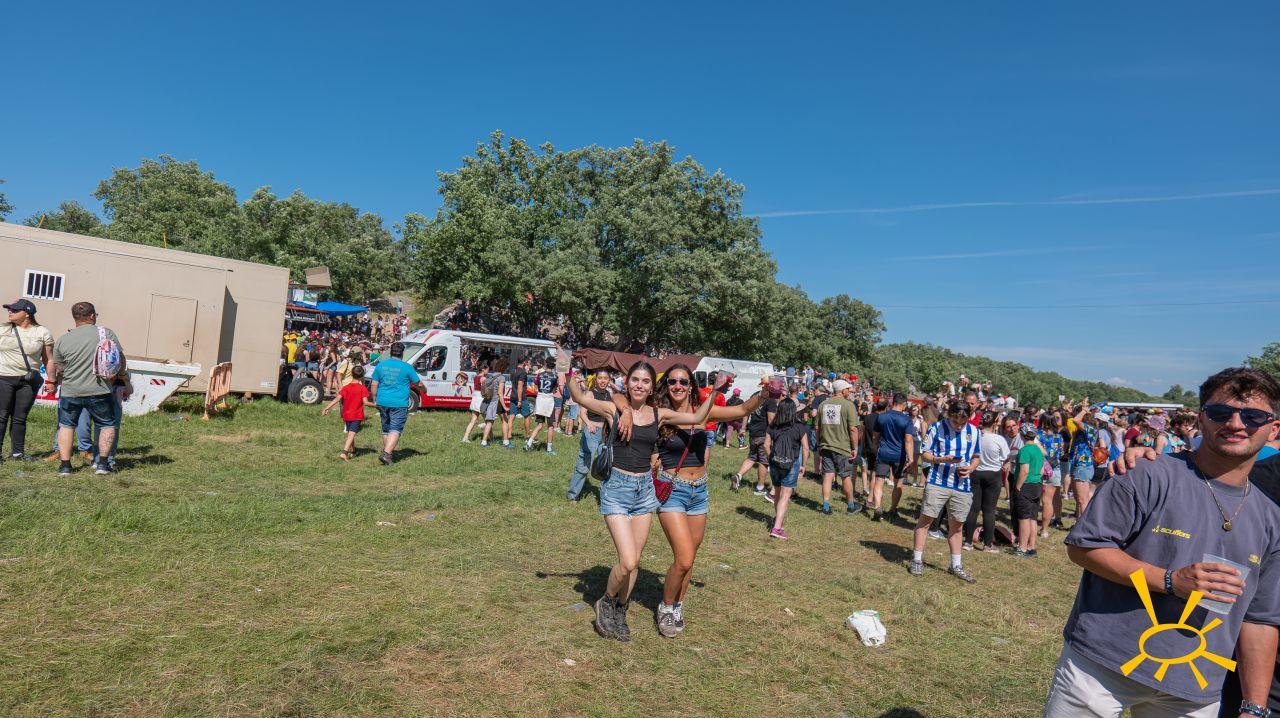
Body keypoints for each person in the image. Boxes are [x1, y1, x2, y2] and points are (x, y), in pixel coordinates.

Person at [1044, 368, 1280, 718]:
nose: (1235, 423)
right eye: (1220, 412)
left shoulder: (1271, 518)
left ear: (1273, 428)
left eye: (1253, 416)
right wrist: (1170, 580)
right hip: (1103, 664)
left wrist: (1255, 707)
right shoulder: (1145, 474)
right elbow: (1084, 547)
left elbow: (1260, 619)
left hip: (1194, 686)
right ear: (1200, 419)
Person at [567, 361, 715, 642]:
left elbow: (698, 417)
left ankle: (620, 609)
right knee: (628, 560)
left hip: (645, 491)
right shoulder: (613, 409)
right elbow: (579, 396)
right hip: (616, 489)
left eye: (645, 381)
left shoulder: (659, 414)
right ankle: (606, 601)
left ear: (651, 387)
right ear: (627, 382)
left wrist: (715, 390)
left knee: (635, 562)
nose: (639, 385)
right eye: (635, 379)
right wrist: (568, 373)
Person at [614, 365, 758, 637]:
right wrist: (625, 410)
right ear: (666, 385)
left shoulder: (703, 411)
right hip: (673, 491)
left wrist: (765, 394)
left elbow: (742, 410)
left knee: (689, 559)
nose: (678, 386)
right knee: (683, 558)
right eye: (672, 381)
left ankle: (677, 605)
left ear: (691, 385)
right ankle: (666, 607)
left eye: (683, 381)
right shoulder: (658, 412)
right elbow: (620, 397)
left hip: (699, 492)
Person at [51, 302, 131, 476]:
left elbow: (59, 366)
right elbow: (120, 358)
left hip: (70, 391)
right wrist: (121, 375)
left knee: (66, 426)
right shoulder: (106, 333)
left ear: (75, 318)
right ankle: (102, 464)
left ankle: (65, 466)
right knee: (107, 425)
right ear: (92, 316)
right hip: (99, 390)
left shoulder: (64, 339)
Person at [908, 400, 981, 582]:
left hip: (962, 486)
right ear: (949, 415)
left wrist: (971, 468)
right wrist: (940, 459)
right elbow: (925, 454)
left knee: (957, 526)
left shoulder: (974, 432)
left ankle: (956, 565)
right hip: (937, 482)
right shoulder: (936, 427)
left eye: (963, 422)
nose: (959, 425)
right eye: (955, 421)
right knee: (926, 521)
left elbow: (976, 456)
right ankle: (917, 560)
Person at [0, 299, 55, 461]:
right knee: (1, 416)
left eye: (15, 310)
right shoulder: (2, 329)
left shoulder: (42, 332)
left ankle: (17, 454)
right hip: (3, 377)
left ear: (27, 313)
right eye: (9, 309)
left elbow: (49, 359)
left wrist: (51, 381)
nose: (10, 312)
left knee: (20, 417)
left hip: (28, 381)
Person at [368, 342, 426, 465]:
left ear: (390, 352)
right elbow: (418, 384)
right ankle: (386, 454)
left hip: (382, 401)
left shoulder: (381, 365)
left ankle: (388, 455)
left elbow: (374, 384)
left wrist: (374, 399)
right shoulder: (407, 367)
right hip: (398, 403)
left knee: (386, 429)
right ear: (402, 353)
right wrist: (424, 389)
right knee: (395, 429)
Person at [963, 411, 1008, 553]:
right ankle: (988, 544)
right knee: (989, 510)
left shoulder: (975, 435)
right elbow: (1005, 456)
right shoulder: (999, 439)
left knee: (973, 509)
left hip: (975, 472)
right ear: (995, 422)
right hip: (993, 475)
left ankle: (968, 542)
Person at [816, 379, 862, 516]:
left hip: (826, 445)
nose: (849, 391)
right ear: (843, 390)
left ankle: (825, 506)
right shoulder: (848, 405)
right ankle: (851, 506)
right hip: (842, 447)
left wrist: (819, 443)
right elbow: (853, 429)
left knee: (828, 475)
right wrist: (855, 448)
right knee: (845, 476)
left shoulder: (823, 405)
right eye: (848, 389)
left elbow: (817, 428)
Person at [567, 368, 613, 501]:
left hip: (606, 434)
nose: (603, 381)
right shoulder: (590, 394)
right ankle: (572, 495)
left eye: (605, 378)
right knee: (584, 465)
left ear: (609, 381)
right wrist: (588, 424)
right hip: (592, 433)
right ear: (595, 380)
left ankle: (605, 498)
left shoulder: (610, 395)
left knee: (606, 465)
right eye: (600, 378)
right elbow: (582, 413)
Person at [767, 397, 810, 539]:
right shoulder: (799, 426)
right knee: (785, 496)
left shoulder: (773, 425)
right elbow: (805, 447)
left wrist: (770, 458)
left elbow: (766, 445)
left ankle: (778, 521)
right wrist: (804, 465)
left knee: (777, 493)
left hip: (775, 462)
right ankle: (777, 528)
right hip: (792, 463)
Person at [871, 393, 914, 522]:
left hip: (883, 453)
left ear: (893, 402)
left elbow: (875, 436)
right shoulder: (907, 420)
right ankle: (892, 509)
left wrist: (876, 448)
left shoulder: (881, 417)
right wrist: (911, 458)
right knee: (898, 483)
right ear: (904, 404)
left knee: (879, 482)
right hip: (899, 455)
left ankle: (877, 507)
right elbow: (908, 441)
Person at [731, 385, 777, 494]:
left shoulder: (755, 396)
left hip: (753, 432)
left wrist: (743, 428)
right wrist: (774, 435)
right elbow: (771, 419)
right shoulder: (770, 400)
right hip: (764, 434)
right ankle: (760, 488)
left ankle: (739, 476)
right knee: (764, 461)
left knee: (752, 457)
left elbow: (746, 411)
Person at [322, 365, 373, 460]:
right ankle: (344, 452)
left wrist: (327, 407)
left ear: (351, 374)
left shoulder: (346, 387)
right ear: (362, 376)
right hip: (356, 415)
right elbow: (366, 402)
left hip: (346, 414)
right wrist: (376, 405)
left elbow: (337, 398)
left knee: (350, 433)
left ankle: (353, 450)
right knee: (351, 434)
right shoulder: (362, 388)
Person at [1010, 423, 1045, 557]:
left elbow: (1024, 471)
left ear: (1021, 435)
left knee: (1023, 518)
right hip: (1037, 484)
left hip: (1026, 485)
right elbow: (1041, 470)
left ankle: (1023, 548)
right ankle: (1031, 546)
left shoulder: (1024, 450)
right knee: (1033, 518)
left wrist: (1018, 487)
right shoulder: (1038, 449)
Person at [1038, 413, 1067, 535]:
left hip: (1040, 468)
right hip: (1055, 469)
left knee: (1043, 500)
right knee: (1049, 500)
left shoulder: (1038, 436)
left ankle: (1038, 526)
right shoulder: (1059, 436)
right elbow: (1061, 453)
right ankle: (1045, 529)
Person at [524, 356, 559, 454]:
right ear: (554, 365)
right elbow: (555, 388)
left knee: (539, 425)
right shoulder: (555, 376)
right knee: (550, 426)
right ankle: (549, 449)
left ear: (546, 364)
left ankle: (528, 444)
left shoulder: (539, 374)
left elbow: (535, 384)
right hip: (549, 401)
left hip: (540, 399)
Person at [461, 365, 490, 443]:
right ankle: (490, 438)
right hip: (481, 399)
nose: (488, 372)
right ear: (483, 370)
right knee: (488, 421)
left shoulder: (475, 377)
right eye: (487, 370)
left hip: (475, 398)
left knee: (473, 420)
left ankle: (465, 438)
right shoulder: (483, 378)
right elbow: (486, 390)